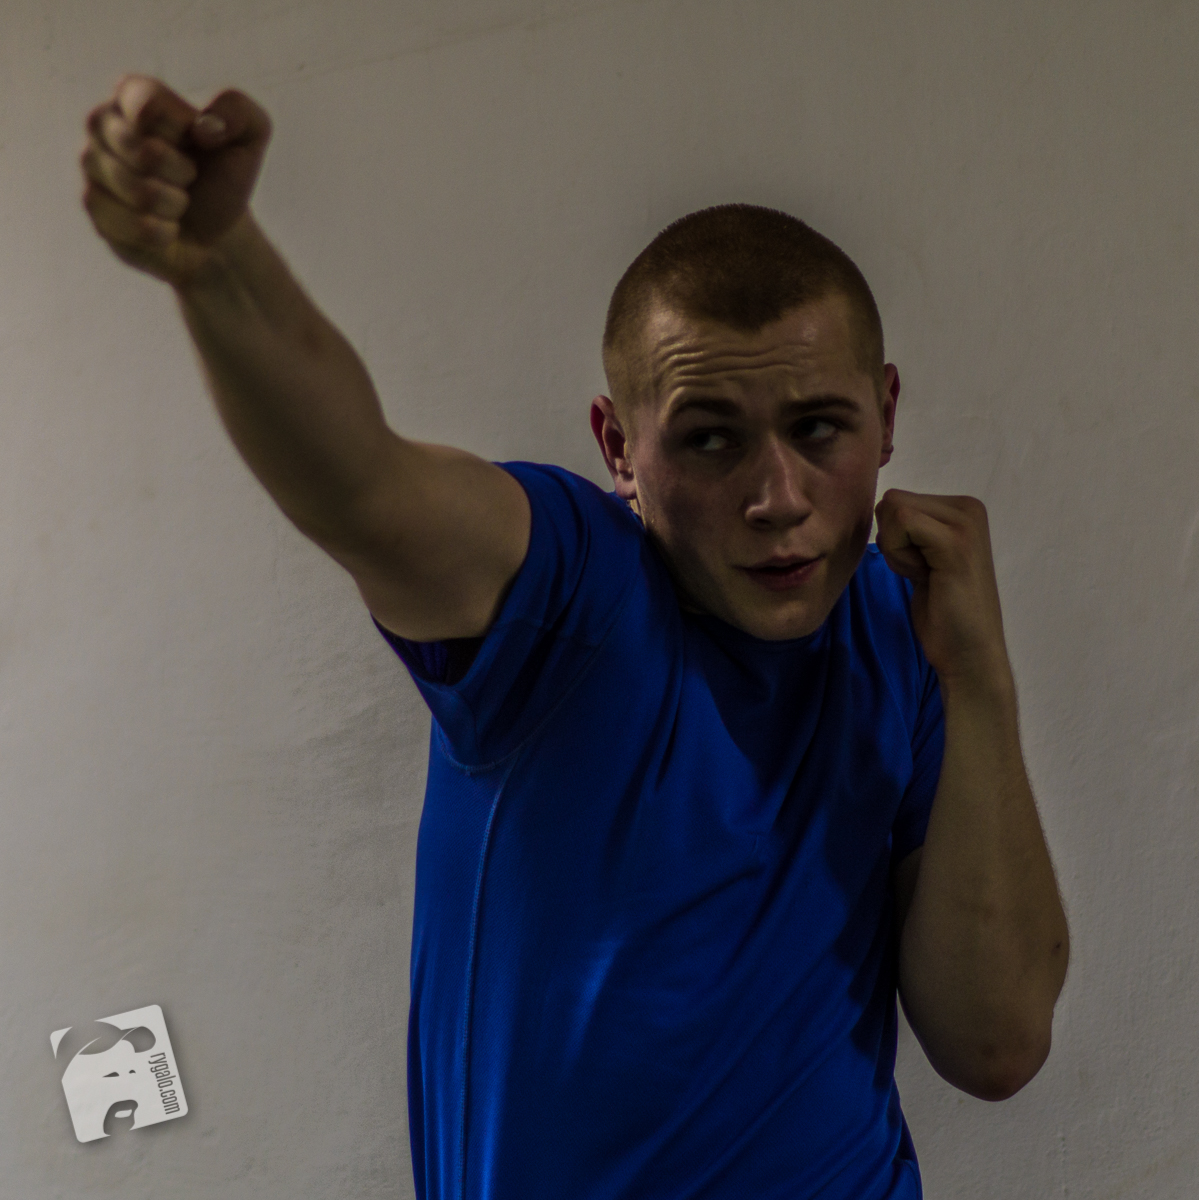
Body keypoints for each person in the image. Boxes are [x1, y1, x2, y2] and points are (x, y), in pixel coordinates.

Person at [80, 76, 1070, 1200]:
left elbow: (994, 1045)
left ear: (884, 415)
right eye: (709, 440)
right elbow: (363, 483)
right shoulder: (565, 591)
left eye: (817, 428)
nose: (777, 497)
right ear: (617, 446)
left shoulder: (911, 631)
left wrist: (979, 679)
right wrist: (219, 264)